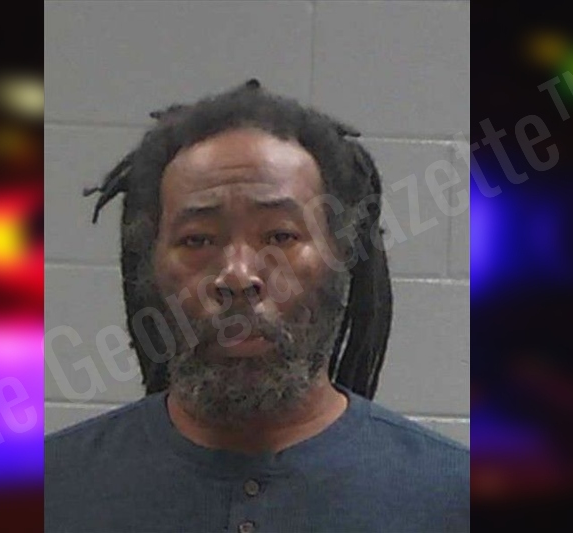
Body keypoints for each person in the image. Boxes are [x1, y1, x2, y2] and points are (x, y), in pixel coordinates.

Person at [45, 80, 469, 532]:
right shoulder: (52, 490)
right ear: (149, 266)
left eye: (280, 236)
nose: (238, 275)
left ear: (341, 256)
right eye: (198, 240)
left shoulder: (452, 498)